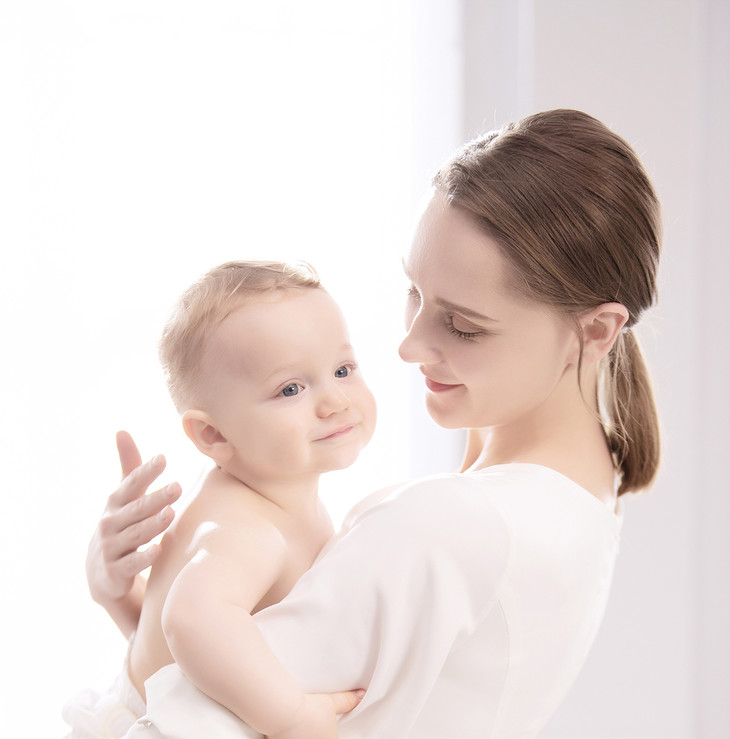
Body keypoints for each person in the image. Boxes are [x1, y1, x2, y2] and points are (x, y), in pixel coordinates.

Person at [85, 109, 661, 738]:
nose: (408, 346)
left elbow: (171, 715)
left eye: (463, 325)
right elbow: (185, 666)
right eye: (414, 292)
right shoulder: (590, 486)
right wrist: (122, 597)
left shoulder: (445, 526)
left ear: (597, 330)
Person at [64, 261, 377, 738]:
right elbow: (191, 621)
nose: (336, 400)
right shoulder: (248, 530)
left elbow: (176, 651)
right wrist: (291, 717)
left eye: (342, 369)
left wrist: (116, 596)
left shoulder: (260, 495)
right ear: (213, 435)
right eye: (290, 389)